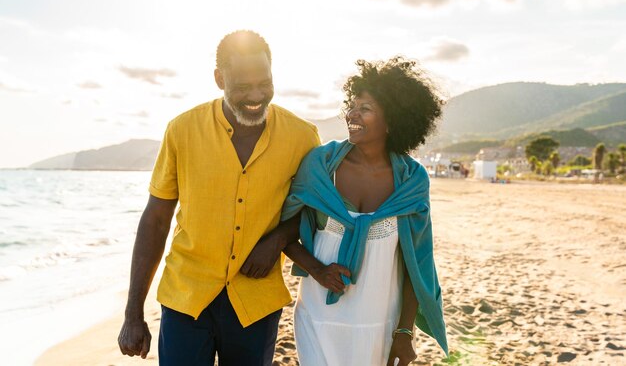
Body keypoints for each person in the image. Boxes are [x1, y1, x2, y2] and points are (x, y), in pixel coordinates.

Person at [117, 30, 320, 365]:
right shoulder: (182, 130)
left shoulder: (303, 136)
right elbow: (156, 218)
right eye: (242, 87)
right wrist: (133, 312)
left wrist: (278, 239)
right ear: (218, 78)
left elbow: (314, 207)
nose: (256, 95)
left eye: (264, 83)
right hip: (187, 296)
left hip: (256, 301)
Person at [281, 57, 448, 366]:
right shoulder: (321, 164)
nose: (352, 114)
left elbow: (418, 259)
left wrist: (405, 332)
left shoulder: (411, 180)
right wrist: (317, 270)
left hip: (380, 325)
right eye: (352, 105)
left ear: (392, 120)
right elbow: (284, 231)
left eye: (365, 108)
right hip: (317, 317)